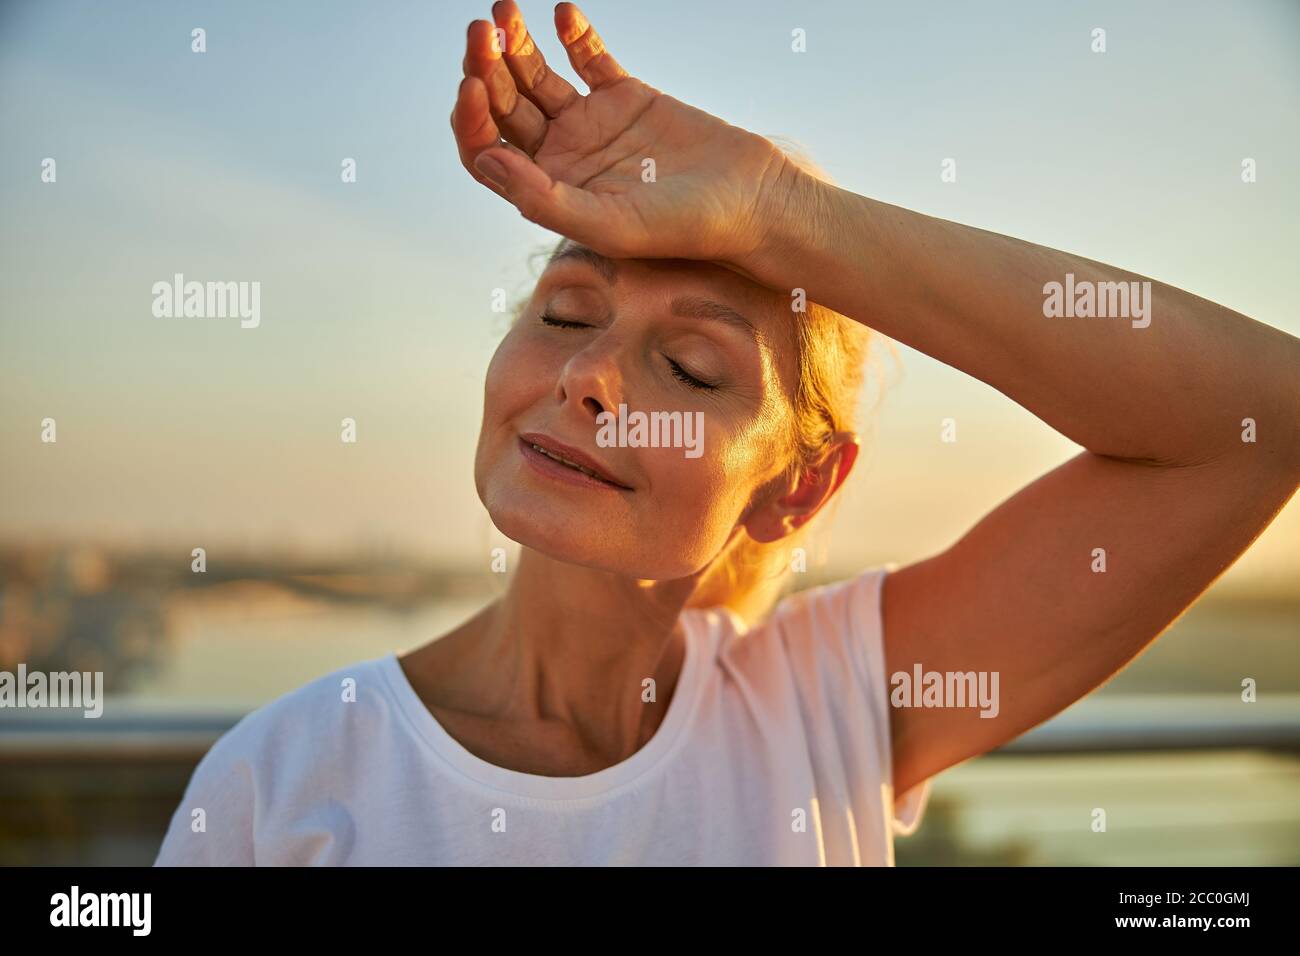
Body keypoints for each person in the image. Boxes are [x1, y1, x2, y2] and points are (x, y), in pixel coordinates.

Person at [154, 1, 1299, 866]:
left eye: (692, 365)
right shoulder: (283, 776)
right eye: (565, 312)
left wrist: (787, 215)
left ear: (794, 489)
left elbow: (1254, 421)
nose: (594, 374)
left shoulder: (827, 706)